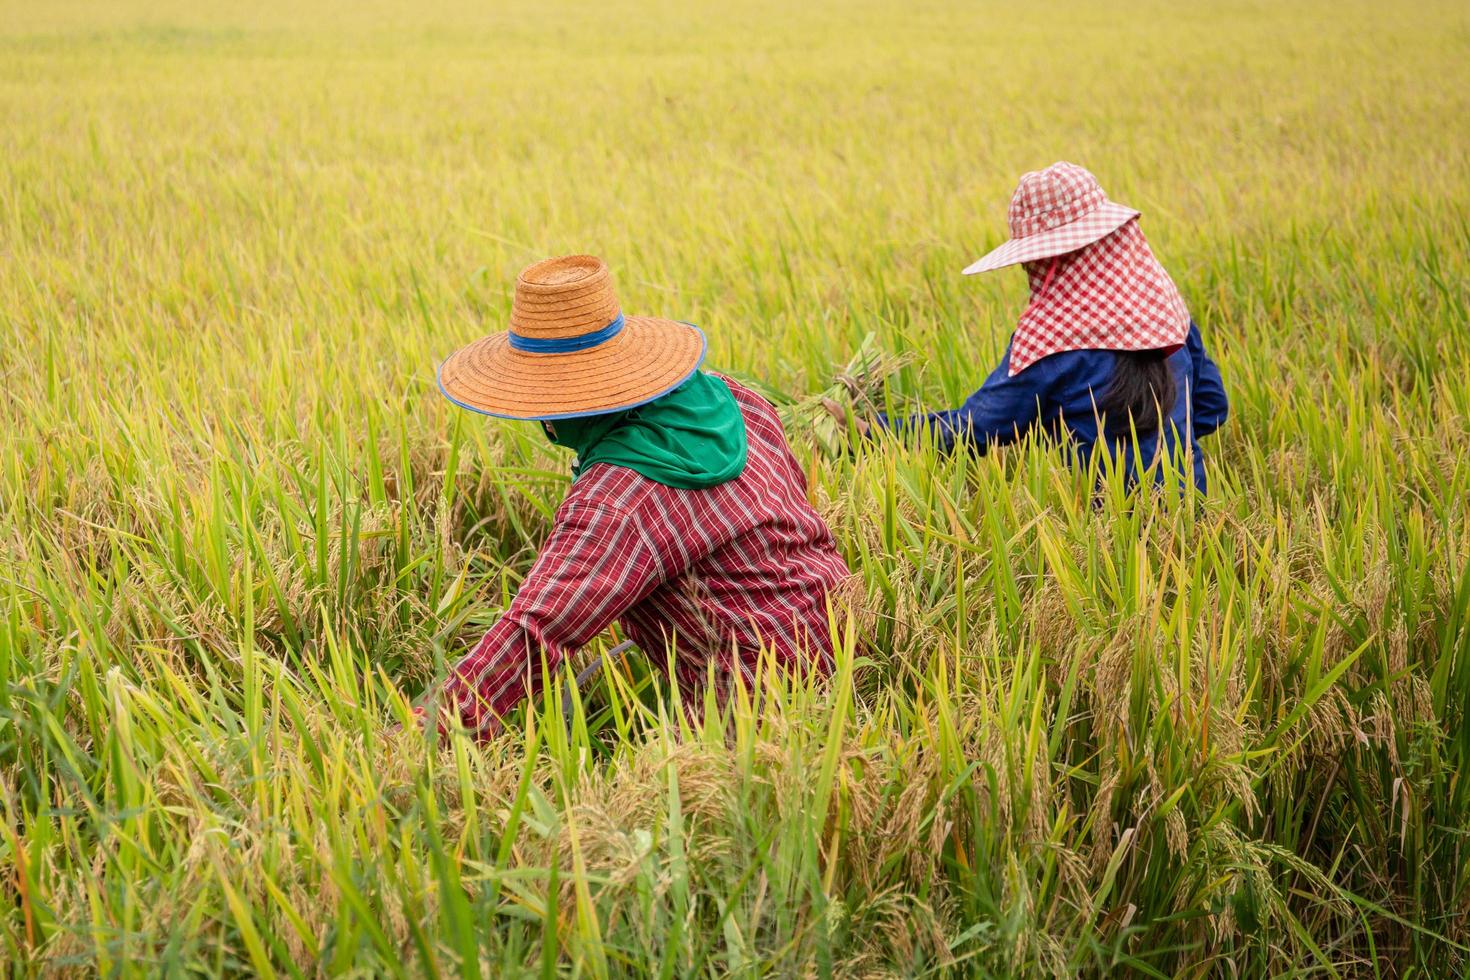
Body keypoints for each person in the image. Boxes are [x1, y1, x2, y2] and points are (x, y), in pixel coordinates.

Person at [427, 254, 852, 738]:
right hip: (845, 641)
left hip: (761, 717)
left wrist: (423, 734)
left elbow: (536, 633)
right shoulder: (737, 399)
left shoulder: (617, 498)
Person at [870, 162, 1229, 493]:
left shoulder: (1054, 339)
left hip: (1107, 533)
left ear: (1048, 259)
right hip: (1191, 516)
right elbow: (1213, 406)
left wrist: (876, 431)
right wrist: (1158, 446)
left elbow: (975, 429)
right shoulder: (1162, 306)